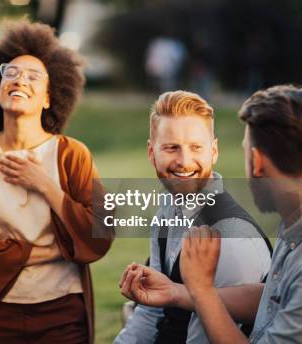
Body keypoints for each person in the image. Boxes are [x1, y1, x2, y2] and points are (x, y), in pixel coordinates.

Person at [119, 85, 302, 343]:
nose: (183, 160)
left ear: (257, 162)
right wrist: (178, 293)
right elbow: (275, 297)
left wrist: (202, 291)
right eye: (172, 148)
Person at [0, 21, 113, 344]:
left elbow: (101, 233)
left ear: (49, 98)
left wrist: (46, 186)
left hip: (63, 316)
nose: (19, 80)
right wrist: (54, 249)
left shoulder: (73, 155)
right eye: (10, 73)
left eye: (33, 76)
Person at [115, 91, 271, 344]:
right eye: (171, 147)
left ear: (214, 151)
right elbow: (151, 311)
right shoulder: (167, 210)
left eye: (196, 147)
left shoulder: (232, 239)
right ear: (151, 152)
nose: (184, 162)